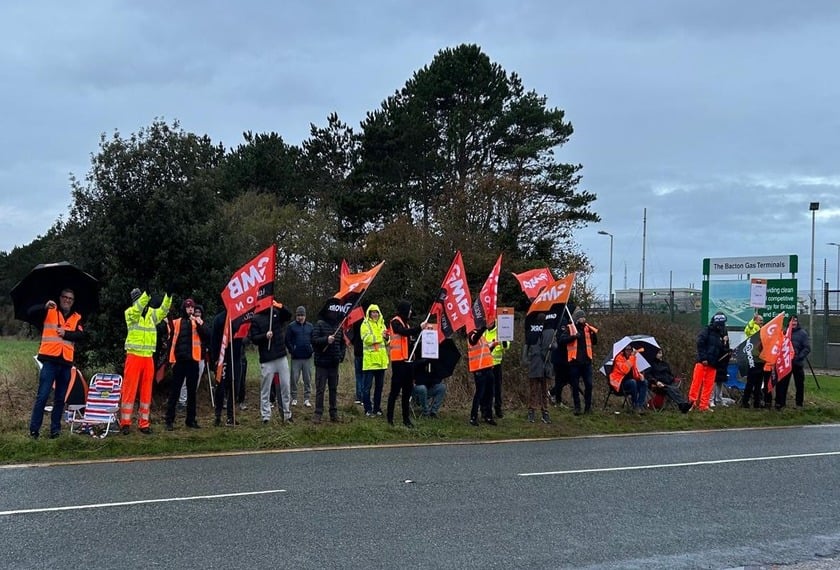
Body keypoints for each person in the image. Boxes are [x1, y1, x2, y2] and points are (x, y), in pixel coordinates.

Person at [28, 288, 88, 439]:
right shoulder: (50, 309)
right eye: (65, 297)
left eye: (70, 298)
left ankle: (55, 430)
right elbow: (31, 313)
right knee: (42, 396)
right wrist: (44, 306)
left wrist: (66, 334)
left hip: (66, 363)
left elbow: (81, 335)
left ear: (73, 302)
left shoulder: (76, 316)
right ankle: (34, 430)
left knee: (60, 399)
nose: (67, 300)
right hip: (49, 360)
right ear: (60, 298)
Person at [120, 288, 171, 435]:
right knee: (129, 391)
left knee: (146, 392)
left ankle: (144, 423)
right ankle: (125, 423)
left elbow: (163, 310)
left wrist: (168, 296)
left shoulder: (151, 315)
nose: (141, 302)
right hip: (133, 356)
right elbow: (137, 309)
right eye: (139, 299)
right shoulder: (130, 313)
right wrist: (145, 296)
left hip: (148, 357)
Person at [164, 298, 210, 430]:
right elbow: (169, 335)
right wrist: (170, 360)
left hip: (193, 361)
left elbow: (207, 335)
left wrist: (200, 323)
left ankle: (191, 420)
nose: (190, 309)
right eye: (188, 307)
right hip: (179, 362)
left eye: (192, 307)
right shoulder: (177, 322)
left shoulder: (197, 322)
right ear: (184, 308)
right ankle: (169, 420)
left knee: (192, 393)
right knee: (175, 392)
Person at [250, 301, 293, 424]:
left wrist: (279, 305)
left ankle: (287, 414)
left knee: (285, 386)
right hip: (267, 359)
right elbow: (254, 339)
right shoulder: (256, 319)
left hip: (281, 356)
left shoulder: (276, 312)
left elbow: (288, 315)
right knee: (266, 389)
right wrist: (265, 336)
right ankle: (266, 416)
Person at [387, 300, 426, 427]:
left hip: (408, 362)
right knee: (395, 391)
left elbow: (408, 339)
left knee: (407, 391)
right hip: (398, 362)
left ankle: (406, 419)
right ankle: (390, 418)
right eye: (409, 309)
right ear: (404, 309)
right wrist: (419, 327)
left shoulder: (407, 324)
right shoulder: (395, 322)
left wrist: (413, 348)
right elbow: (402, 332)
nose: (410, 312)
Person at [311, 300, 345, 423]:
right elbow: (314, 340)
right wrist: (326, 339)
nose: (333, 313)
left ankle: (333, 413)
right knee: (320, 389)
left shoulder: (339, 326)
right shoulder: (319, 324)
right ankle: (318, 413)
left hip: (334, 363)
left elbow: (342, 344)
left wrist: (341, 356)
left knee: (333, 389)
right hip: (321, 363)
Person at [688, 311, 728, 412]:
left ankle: (704, 405)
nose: (721, 326)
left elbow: (723, 351)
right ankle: (692, 403)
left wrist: (725, 343)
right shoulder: (707, 331)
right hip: (702, 362)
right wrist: (703, 358)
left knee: (708, 385)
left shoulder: (722, 334)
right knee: (696, 383)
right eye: (720, 324)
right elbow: (700, 343)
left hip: (714, 364)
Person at [559, 308, 598, 415]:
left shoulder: (588, 329)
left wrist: (594, 335)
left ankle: (588, 408)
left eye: (584, 317)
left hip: (587, 362)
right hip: (574, 363)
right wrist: (573, 337)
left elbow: (594, 342)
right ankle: (577, 407)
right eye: (581, 317)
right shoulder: (570, 328)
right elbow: (561, 340)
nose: (583, 319)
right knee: (575, 386)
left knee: (589, 385)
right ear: (576, 319)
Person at [210, 308, 244, 427]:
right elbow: (213, 340)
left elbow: (244, 335)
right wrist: (215, 359)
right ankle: (218, 415)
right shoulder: (219, 319)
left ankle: (231, 416)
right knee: (220, 387)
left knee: (235, 386)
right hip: (222, 357)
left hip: (236, 357)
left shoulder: (239, 317)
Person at [523, 314, 555, 423]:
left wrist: (552, 346)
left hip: (545, 365)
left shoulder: (550, 332)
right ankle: (532, 411)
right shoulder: (532, 332)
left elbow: (556, 345)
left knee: (543, 391)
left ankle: (544, 412)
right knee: (534, 391)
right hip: (535, 365)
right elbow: (526, 346)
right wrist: (526, 360)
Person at [360, 304, 389, 417]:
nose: (375, 314)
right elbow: (366, 339)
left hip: (381, 362)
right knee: (367, 388)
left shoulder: (382, 324)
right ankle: (368, 409)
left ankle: (377, 408)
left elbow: (386, 342)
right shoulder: (365, 324)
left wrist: (387, 338)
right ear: (369, 313)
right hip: (370, 362)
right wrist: (381, 336)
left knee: (379, 387)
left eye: (376, 312)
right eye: (372, 312)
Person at [178, 304, 207, 410]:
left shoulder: (202, 324)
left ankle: (190, 401)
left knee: (196, 381)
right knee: (185, 381)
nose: (197, 314)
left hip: (201, 357)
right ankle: (182, 401)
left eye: (199, 313)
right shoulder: (188, 324)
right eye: (196, 312)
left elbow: (207, 336)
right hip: (190, 357)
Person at [468, 325, 496, 426]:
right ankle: (473, 417)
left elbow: (485, 351)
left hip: (488, 368)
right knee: (479, 394)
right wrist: (484, 327)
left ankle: (488, 416)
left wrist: (492, 345)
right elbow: (474, 340)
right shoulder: (472, 334)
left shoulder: (482, 337)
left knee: (489, 393)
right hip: (479, 369)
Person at [286, 305, 314, 408]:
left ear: (305, 316)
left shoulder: (310, 326)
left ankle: (307, 399)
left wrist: (312, 349)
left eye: (302, 315)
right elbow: (287, 340)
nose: (300, 317)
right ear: (296, 316)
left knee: (308, 379)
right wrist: (292, 350)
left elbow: (314, 340)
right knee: (294, 378)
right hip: (296, 358)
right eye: (298, 315)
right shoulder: (291, 326)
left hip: (307, 358)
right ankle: (294, 398)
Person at [483, 320, 510, 419]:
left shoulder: (500, 331)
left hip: (496, 364)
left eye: (489, 322)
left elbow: (507, 345)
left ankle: (498, 409)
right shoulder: (484, 332)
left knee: (497, 389)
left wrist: (502, 342)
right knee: (485, 389)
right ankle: (484, 410)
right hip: (485, 365)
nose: (487, 323)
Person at [609, 344, 647, 413]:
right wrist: (632, 357)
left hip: (631, 382)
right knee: (633, 382)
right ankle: (634, 405)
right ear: (624, 350)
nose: (629, 351)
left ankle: (639, 405)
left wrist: (639, 376)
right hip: (620, 384)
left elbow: (634, 372)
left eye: (630, 349)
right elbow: (625, 369)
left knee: (644, 382)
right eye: (627, 349)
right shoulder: (619, 358)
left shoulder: (632, 358)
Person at [741, 313, 767, 409]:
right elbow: (748, 330)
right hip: (753, 359)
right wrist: (752, 320)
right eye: (760, 320)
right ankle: (745, 402)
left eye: (762, 321)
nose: (762, 322)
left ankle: (757, 403)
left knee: (759, 383)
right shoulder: (752, 328)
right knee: (751, 382)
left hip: (761, 360)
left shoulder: (763, 329)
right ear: (755, 320)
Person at [790, 315, 811, 408]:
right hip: (786, 364)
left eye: (795, 321)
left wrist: (799, 357)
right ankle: (780, 404)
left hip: (797, 363)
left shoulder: (802, 333)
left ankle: (799, 404)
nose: (793, 323)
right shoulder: (785, 332)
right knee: (782, 384)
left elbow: (807, 348)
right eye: (792, 321)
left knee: (799, 384)